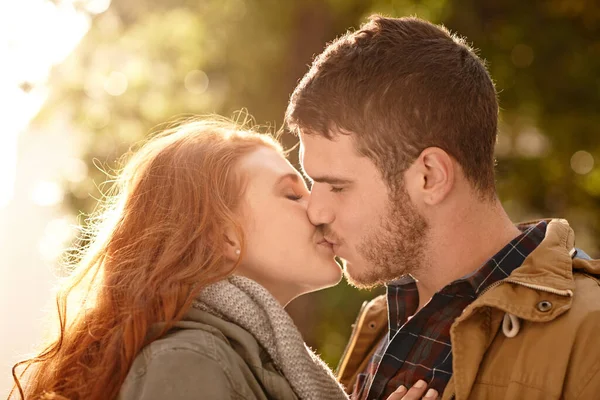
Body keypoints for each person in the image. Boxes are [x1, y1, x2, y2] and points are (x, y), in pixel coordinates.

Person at [285, 15, 600, 400]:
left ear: (430, 177)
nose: (315, 212)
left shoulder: (589, 337)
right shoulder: (380, 326)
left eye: (337, 186)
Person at [11, 119, 354, 400]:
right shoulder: (191, 363)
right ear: (223, 235)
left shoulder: (230, 357)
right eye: (293, 194)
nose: (318, 209)